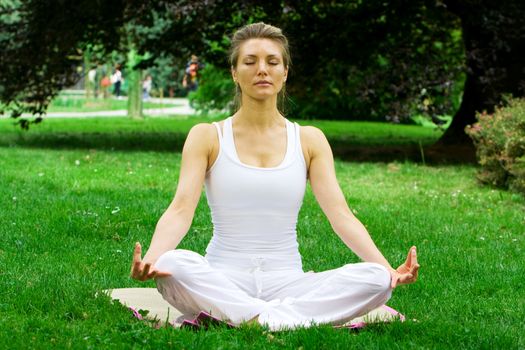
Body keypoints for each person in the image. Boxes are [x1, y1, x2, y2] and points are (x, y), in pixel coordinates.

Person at [130, 22, 420, 331]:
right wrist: (152, 257)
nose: (262, 70)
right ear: (234, 72)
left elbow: (341, 215)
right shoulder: (207, 136)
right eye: (250, 61)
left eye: (272, 62)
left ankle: (256, 319)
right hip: (223, 279)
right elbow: (179, 210)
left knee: (375, 280)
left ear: (284, 72)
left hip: (289, 283)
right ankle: (283, 319)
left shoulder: (309, 140)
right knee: (174, 265)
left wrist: (386, 268)